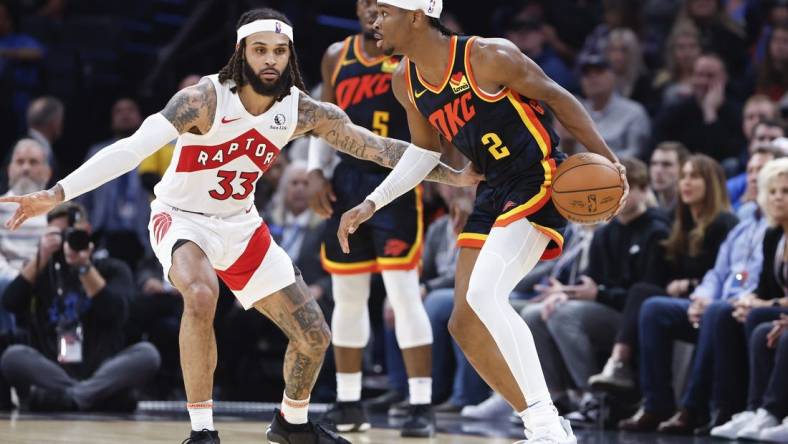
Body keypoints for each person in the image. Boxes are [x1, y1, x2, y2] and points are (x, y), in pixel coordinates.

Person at [0, 7, 478, 444]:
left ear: (289, 56)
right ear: (240, 52)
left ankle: (291, 422)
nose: (270, 60)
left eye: (279, 51)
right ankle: (203, 430)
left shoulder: (300, 110)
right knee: (202, 294)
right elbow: (132, 149)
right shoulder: (203, 100)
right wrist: (57, 193)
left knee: (314, 336)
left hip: (241, 224)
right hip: (182, 218)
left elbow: (376, 146)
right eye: (260, 50)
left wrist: (452, 175)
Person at [337, 1, 629, 442]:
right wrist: (372, 203)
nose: (374, 22)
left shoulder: (489, 56)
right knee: (464, 323)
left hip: (540, 177)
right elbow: (423, 152)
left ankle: (549, 427)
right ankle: (540, 423)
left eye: (384, 13)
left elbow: (559, 97)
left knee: (485, 295)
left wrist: (610, 161)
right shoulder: (406, 79)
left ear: (416, 16)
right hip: (492, 189)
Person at [307, 0, 438, 436]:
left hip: (399, 181)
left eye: (381, 6)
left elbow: (437, 122)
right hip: (347, 182)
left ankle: (422, 405)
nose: (371, 12)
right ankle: (349, 403)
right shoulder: (336, 56)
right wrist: (315, 171)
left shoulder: (410, 55)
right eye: (366, 3)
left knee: (402, 294)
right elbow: (324, 121)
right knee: (347, 295)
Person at [521, 157, 670, 423]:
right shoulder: (605, 233)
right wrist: (564, 292)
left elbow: (647, 294)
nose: (618, 197)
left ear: (643, 189)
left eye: (625, 189)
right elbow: (590, 283)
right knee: (535, 313)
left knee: (563, 316)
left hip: (630, 320)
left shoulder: (657, 231)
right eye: (612, 190)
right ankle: (556, 397)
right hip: (602, 309)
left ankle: (594, 398)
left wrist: (597, 294)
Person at [0, 202, 161, 413]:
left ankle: (74, 397)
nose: (67, 240)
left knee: (147, 354)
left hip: (103, 369)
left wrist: (84, 266)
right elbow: (11, 302)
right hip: (53, 372)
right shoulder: (40, 269)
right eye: (59, 234)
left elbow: (116, 313)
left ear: (87, 231)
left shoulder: (112, 268)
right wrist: (41, 256)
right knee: (13, 355)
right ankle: (87, 395)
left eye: (71, 233)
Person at [79, 98, 151, 270]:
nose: (125, 115)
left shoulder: (154, 150)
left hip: (143, 237)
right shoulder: (97, 152)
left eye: (130, 110)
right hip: (104, 237)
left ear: (141, 117)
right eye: (119, 111)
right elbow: (83, 198)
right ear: (111, 120)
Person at [653, 54, 746, 165]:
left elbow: (726, 154)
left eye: (710, 76)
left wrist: (710, 114)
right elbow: (658, 144)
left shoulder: (736, 112)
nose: (703, 81)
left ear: (724, 78)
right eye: (699, 75)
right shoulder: (676, 111)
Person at [578, 53, 651, 160]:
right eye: (587, 74)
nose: (592, 77)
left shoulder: (634, 112)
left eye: (599, 71)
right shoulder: (575, 110)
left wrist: (600, 162)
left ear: (613, 76)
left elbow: (636, 153)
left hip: (621, 173)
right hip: (577, 172)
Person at [649, 141, 690, 213]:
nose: (658, 170)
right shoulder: (643, 201)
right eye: (654, 164)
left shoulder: (690, 205)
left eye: (667, 164)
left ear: (683, 168)